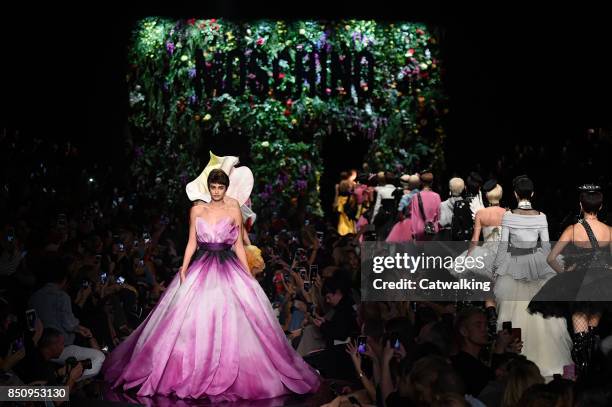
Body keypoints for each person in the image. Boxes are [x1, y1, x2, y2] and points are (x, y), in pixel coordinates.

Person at [103, 168, 320, 401]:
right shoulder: (197, 209)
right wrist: (184, 269)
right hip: (201, 266)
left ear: (226, 188)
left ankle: (235, 371)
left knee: (237, 319)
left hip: (229, 266)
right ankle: (191, 369)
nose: (217, 191)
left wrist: (248, 275)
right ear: (209, 188)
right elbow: (191, 243)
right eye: (214, 187)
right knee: (190, 320)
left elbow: (238, 245)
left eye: (221, 187)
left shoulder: (233, 208)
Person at [528, 184, 612, 378]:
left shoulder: (573, 230)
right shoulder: (609, 231)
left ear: (581, 205)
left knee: (581, 338)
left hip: (580, 285)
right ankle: (593, 378)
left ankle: (582, 380)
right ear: (600, 207)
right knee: (592, 334)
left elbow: (551, 258)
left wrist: (565, 275)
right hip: (601, 284)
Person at [492, 175, 572, 378]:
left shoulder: (509, 216)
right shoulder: (541, 216)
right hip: (539, 266)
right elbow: (545, 247)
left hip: (515, 266)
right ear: (533, 194)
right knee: (546, 319)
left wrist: (498, 269)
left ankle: (522, 369)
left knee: (517, 316)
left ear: (515, 194)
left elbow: (503, 247)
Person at [409, 172, 441, 241]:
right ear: (432, 182)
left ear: (421, 182)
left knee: (420, 251)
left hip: (419, 229)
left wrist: (413, 232)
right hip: (432, 229)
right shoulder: (436, 196)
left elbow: (414, 216)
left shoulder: (415, 196)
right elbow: (439, 215)